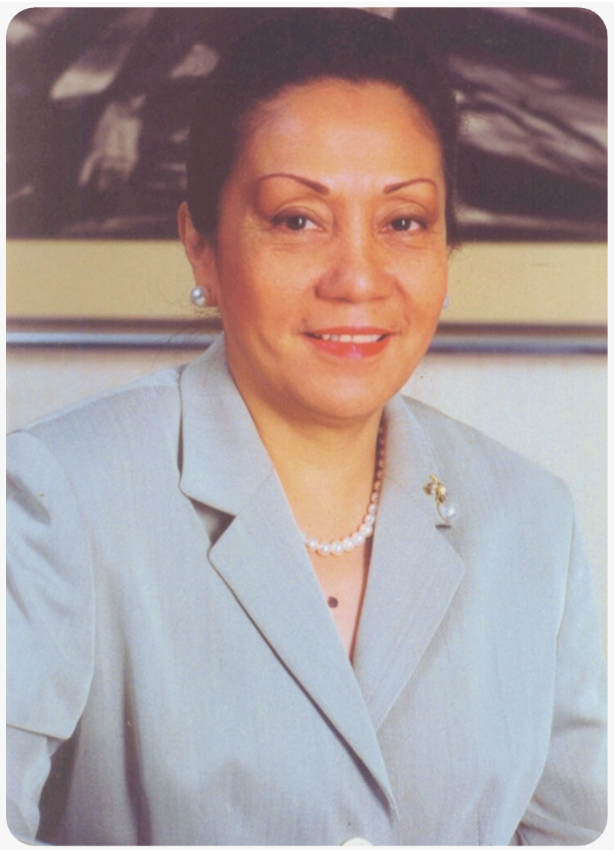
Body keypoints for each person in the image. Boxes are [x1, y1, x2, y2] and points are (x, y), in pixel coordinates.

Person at [6, 8, 606, 847]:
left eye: (403, 222)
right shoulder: (56, 495)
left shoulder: (532, 518)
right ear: (202, 247)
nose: (358, 278)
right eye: (297, 219)